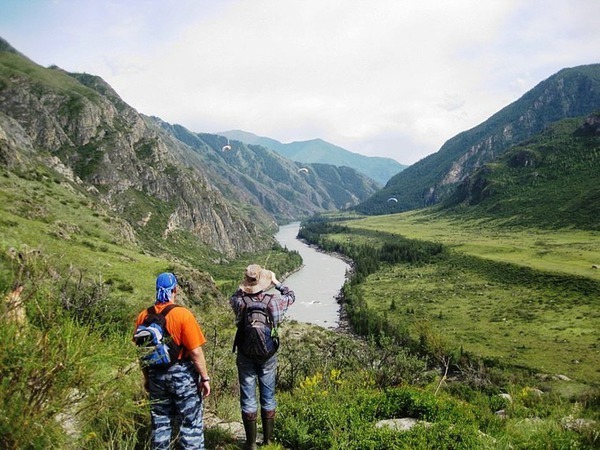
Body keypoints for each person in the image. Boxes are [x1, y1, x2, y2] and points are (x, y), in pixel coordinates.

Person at [134, 272, 211, 450]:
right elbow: (195, 352)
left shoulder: (143, 316)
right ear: (175, 290)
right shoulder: (183, 315)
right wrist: (205, 378)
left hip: (155, 375)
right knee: (190, 424)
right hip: (182, 375)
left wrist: (147, 378)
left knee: (160, 423)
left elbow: (142, 353)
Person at [230, 264, 295, 449]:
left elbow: (233, 297)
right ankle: (268, 441)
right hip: (267, 354)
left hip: (245, 354)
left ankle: (251, 444)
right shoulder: (273, 301)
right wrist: (276, 282)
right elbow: (291, 296)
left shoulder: (240, 302)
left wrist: (244, 286)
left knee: (248, 398)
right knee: (268, 396)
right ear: (263, 281)